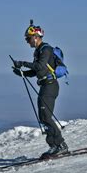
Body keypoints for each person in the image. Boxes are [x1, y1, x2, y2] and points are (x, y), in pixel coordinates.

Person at [12, 23, 69, 157]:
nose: (27, 41)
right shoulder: (39, 51)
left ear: (36, 37)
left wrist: (22, 63)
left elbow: (39, 65)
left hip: (50, 86)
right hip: (45, 85)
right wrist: (22, 73)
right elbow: (37, 70)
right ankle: (54, 146)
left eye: (28, 38)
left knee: (46, 117)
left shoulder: (46, 49)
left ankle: (60, 145)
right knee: (43, 117)